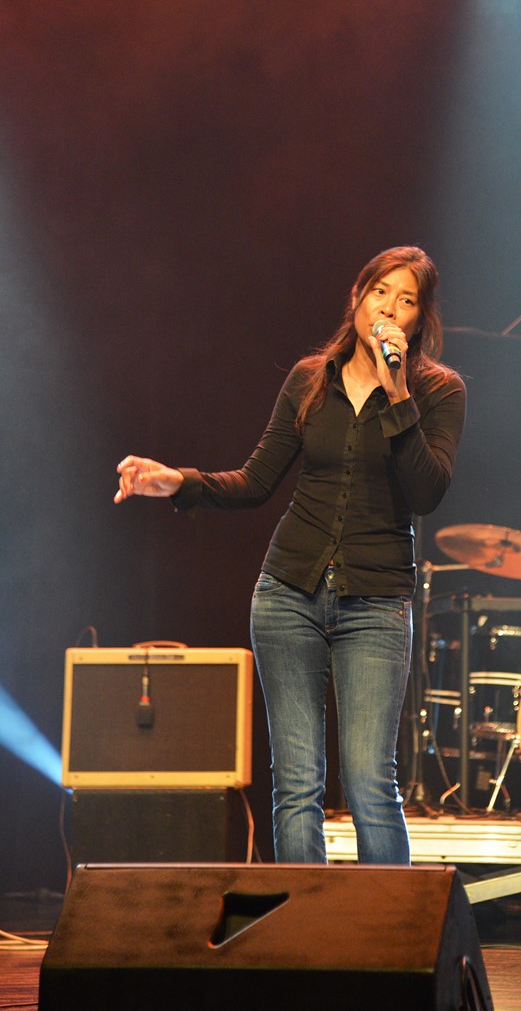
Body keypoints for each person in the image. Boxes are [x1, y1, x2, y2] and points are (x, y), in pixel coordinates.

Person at [113, 245, 466, 865]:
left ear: (419, 320)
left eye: (406, 299)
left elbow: (426, 493)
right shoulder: (310, 379)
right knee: (297, 785)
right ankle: (305, 924)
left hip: (377, 604)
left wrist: (397, 392)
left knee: (370, 782)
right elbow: (255, 481)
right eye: (380, 291)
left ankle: (392, 926)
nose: (389, 308)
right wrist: (177, 482)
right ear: (357, 297)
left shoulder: (438, 391)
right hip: (287, 595)